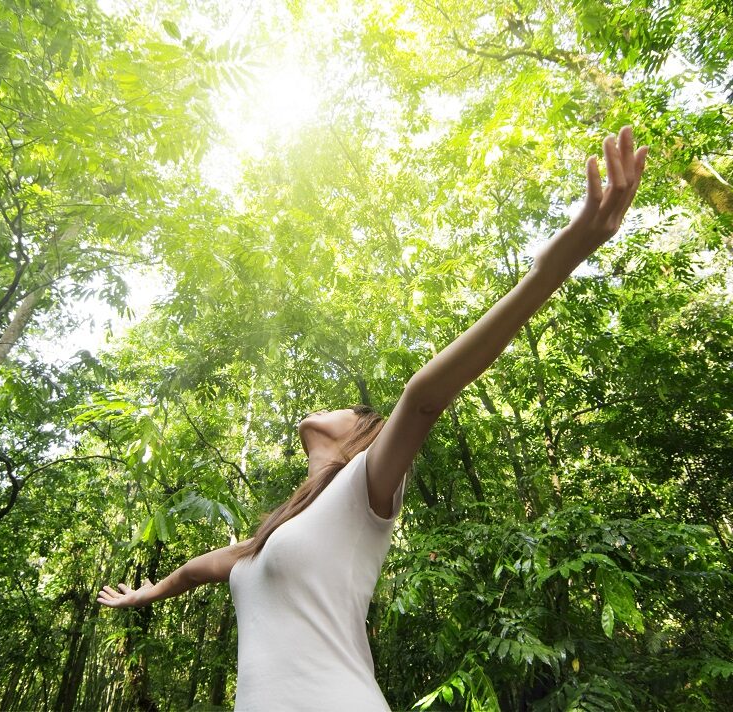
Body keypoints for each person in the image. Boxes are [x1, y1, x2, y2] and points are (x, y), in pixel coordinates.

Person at [98, 126, 649, 710]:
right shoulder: (266, 541)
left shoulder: (364, 487)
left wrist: (552, 266)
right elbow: (193, 571)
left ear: (361, 437)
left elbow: (423, 398)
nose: (328, 407)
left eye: (350, 409)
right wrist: (143, 595)